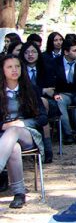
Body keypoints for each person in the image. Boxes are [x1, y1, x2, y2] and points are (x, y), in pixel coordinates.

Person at [0, 55, 47, 208]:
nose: (14, 70)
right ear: (2, 70)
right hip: (3, 138)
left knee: (14, 130)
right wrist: (3, 126)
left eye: (17, 66)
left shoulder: (30, 89)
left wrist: (21, 123)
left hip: (28, 134)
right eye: (9, 67)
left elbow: (43, 118)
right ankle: (19, 193)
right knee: (14, 148)